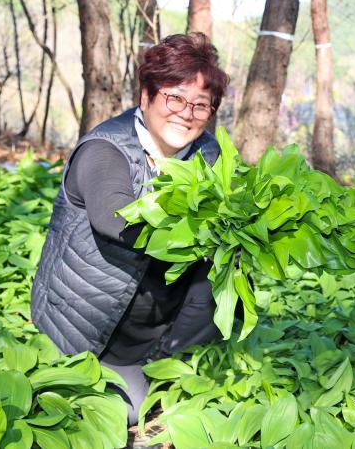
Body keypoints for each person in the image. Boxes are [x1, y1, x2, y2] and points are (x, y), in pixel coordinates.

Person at [31, 33, 230, 425]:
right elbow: (115, 218)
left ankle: (166, 358)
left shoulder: (209, 154)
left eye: (200, 104)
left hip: (150, 333)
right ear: (146, 96)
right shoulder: (105, 149)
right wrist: (203, 232)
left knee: (229, 262)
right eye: (175, 97)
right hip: (86, 328)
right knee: (120, 412)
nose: (186, 113)